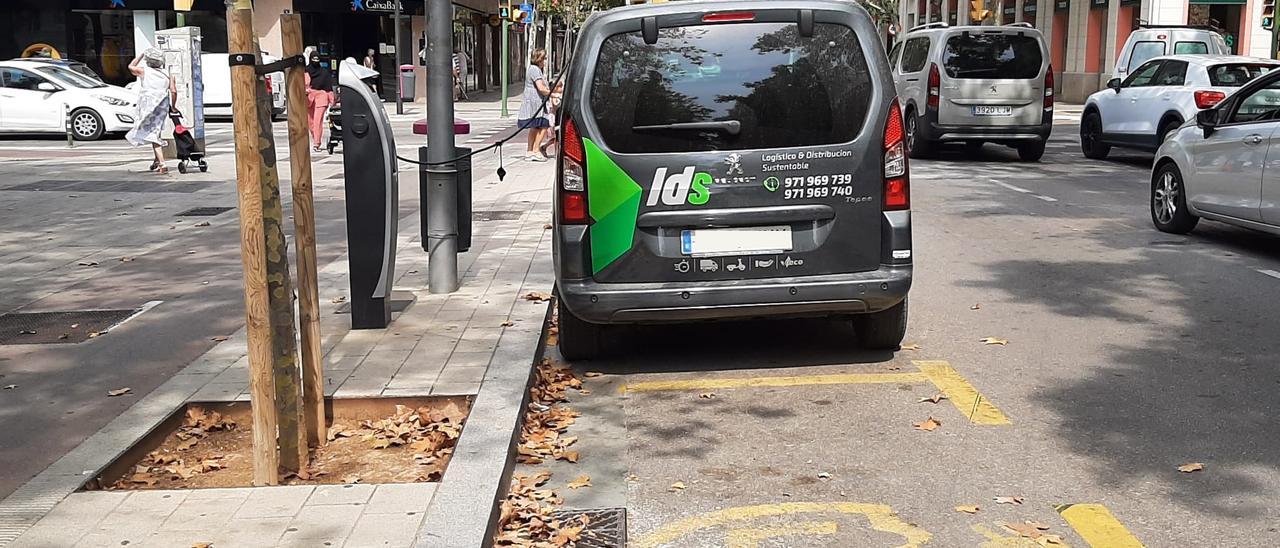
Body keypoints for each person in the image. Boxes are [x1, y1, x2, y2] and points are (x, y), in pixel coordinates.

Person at [125, 49, 176, 174]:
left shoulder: (144, 71)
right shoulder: (168, 74)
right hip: (161, 106)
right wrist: (173, 106)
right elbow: (174, 91)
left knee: (152, 134)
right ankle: (157, 160)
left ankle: (163, 163)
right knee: (155, 131)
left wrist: (141, 55)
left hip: (147, 106)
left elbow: (131, 66)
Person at [516, 48, 552, 162]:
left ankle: (530, 151)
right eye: (543, 59)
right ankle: (536, 150)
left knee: (535, 126)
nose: (545, 61)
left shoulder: (532, 69)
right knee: (544, 125)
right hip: (536, 103)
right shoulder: (535, 70)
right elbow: (541, 88)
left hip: (534, 102)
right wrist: (553, 93)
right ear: (538, 59)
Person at [305, 51, 335, 153]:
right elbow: (303, 85)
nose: (315, 61)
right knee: (310, 122)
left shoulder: (324, 72)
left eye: (317, 59)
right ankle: (315, 138)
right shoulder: (306, 71)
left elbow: (329, 87)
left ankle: (316, 143)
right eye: (313, 59)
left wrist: (332, 101)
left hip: (322, 97)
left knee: (318, 121)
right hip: (309, 97)